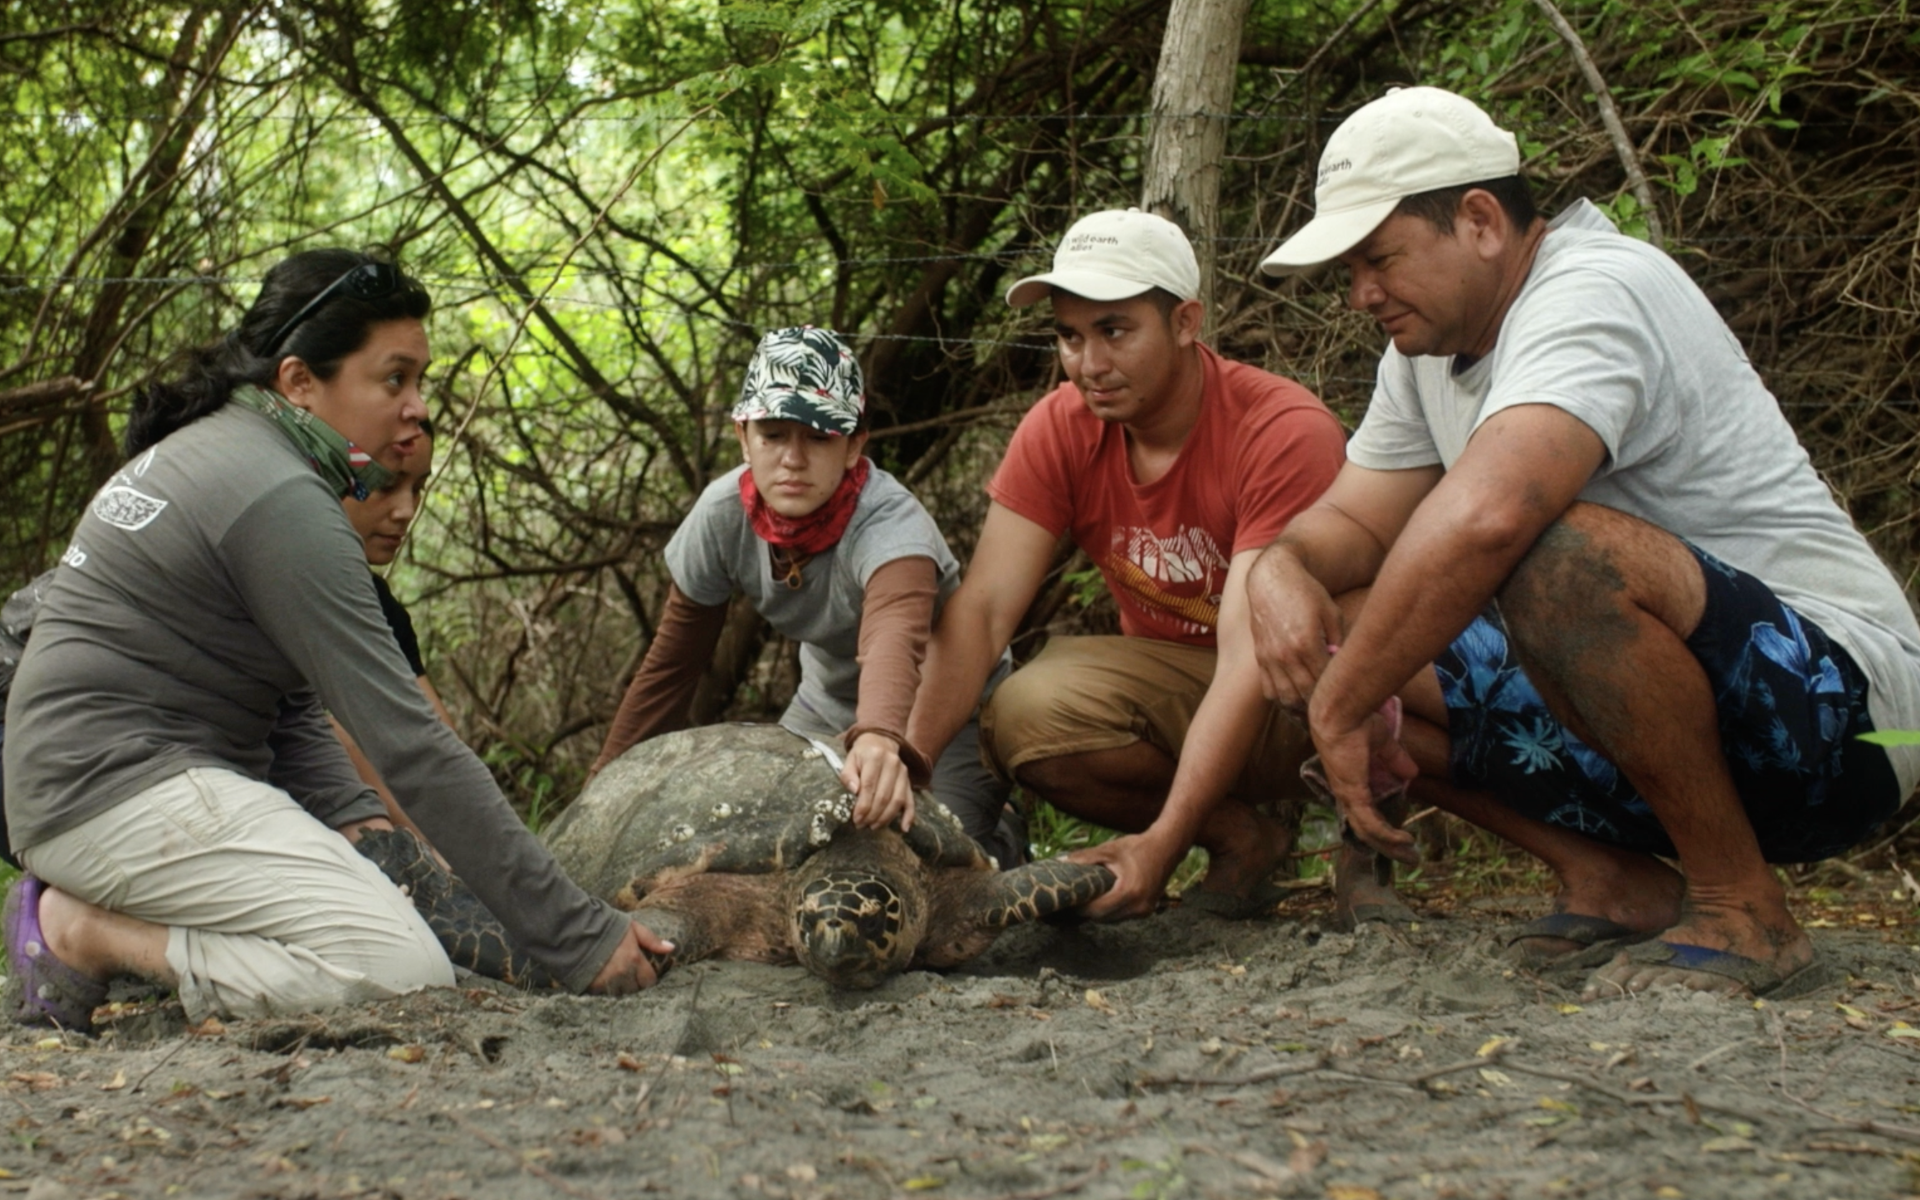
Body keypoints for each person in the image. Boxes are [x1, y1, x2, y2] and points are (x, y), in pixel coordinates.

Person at [1250, 86, 1920, 997]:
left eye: (1380, 259)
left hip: (1848, 722)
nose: (1363, 293)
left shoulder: (1597, 287)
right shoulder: (1421, 355)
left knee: (1555, 556)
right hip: (1677, 725)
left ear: (1481, 220)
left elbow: (1492, 516)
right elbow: (1356, 526)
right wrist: (1280, 574)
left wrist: (1340, 706)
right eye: (1351, 271)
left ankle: (1741, 905)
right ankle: (1616, 882)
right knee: (1327, 631)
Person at [2, 249, 669, 1033]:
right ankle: (83, 932)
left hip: (80, 785)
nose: (417, 406)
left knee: (378, 927)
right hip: (113, 789)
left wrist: (356, 820)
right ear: (298, 381)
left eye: (420, 379)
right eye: (395, 379)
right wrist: (580, 936)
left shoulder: (223, 452)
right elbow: (410, 746)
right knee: (396, 970)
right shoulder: (279, 496)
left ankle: (123, 927)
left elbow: (283, 706)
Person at [904, 208, 1367, 921]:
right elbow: (985, 610)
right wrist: (907, 769)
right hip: (1180, 683)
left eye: (1115, 331)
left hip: (1306, 695)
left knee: (1365, 669)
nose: (1089, 364)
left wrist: (1162, 844)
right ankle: (1244, 838)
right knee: (1024, 713)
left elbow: (1250, 656)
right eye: (1069, 336)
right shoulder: (1060, 426)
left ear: (1186, 323)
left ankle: (1365, 845)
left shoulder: (1279, 430)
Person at [592, 326, 1024, 868]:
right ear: (743, 437)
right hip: (823, 707)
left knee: (934, 858)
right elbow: (675, 662)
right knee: (780, 850)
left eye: (819, 437)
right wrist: (603, 785)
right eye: (774, 435)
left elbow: (894, 638)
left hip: (945, 704)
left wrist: (879, 739)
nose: (793, 459)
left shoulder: (892, 526)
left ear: (854, 445)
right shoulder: (722, 514)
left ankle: (1000, 827)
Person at [331, 426, 450, 846]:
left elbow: (438, 741)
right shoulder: (288, 584)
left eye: (417, 489)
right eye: (384, 486)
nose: (406, 511)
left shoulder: (379, 603)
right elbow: (340, 744)